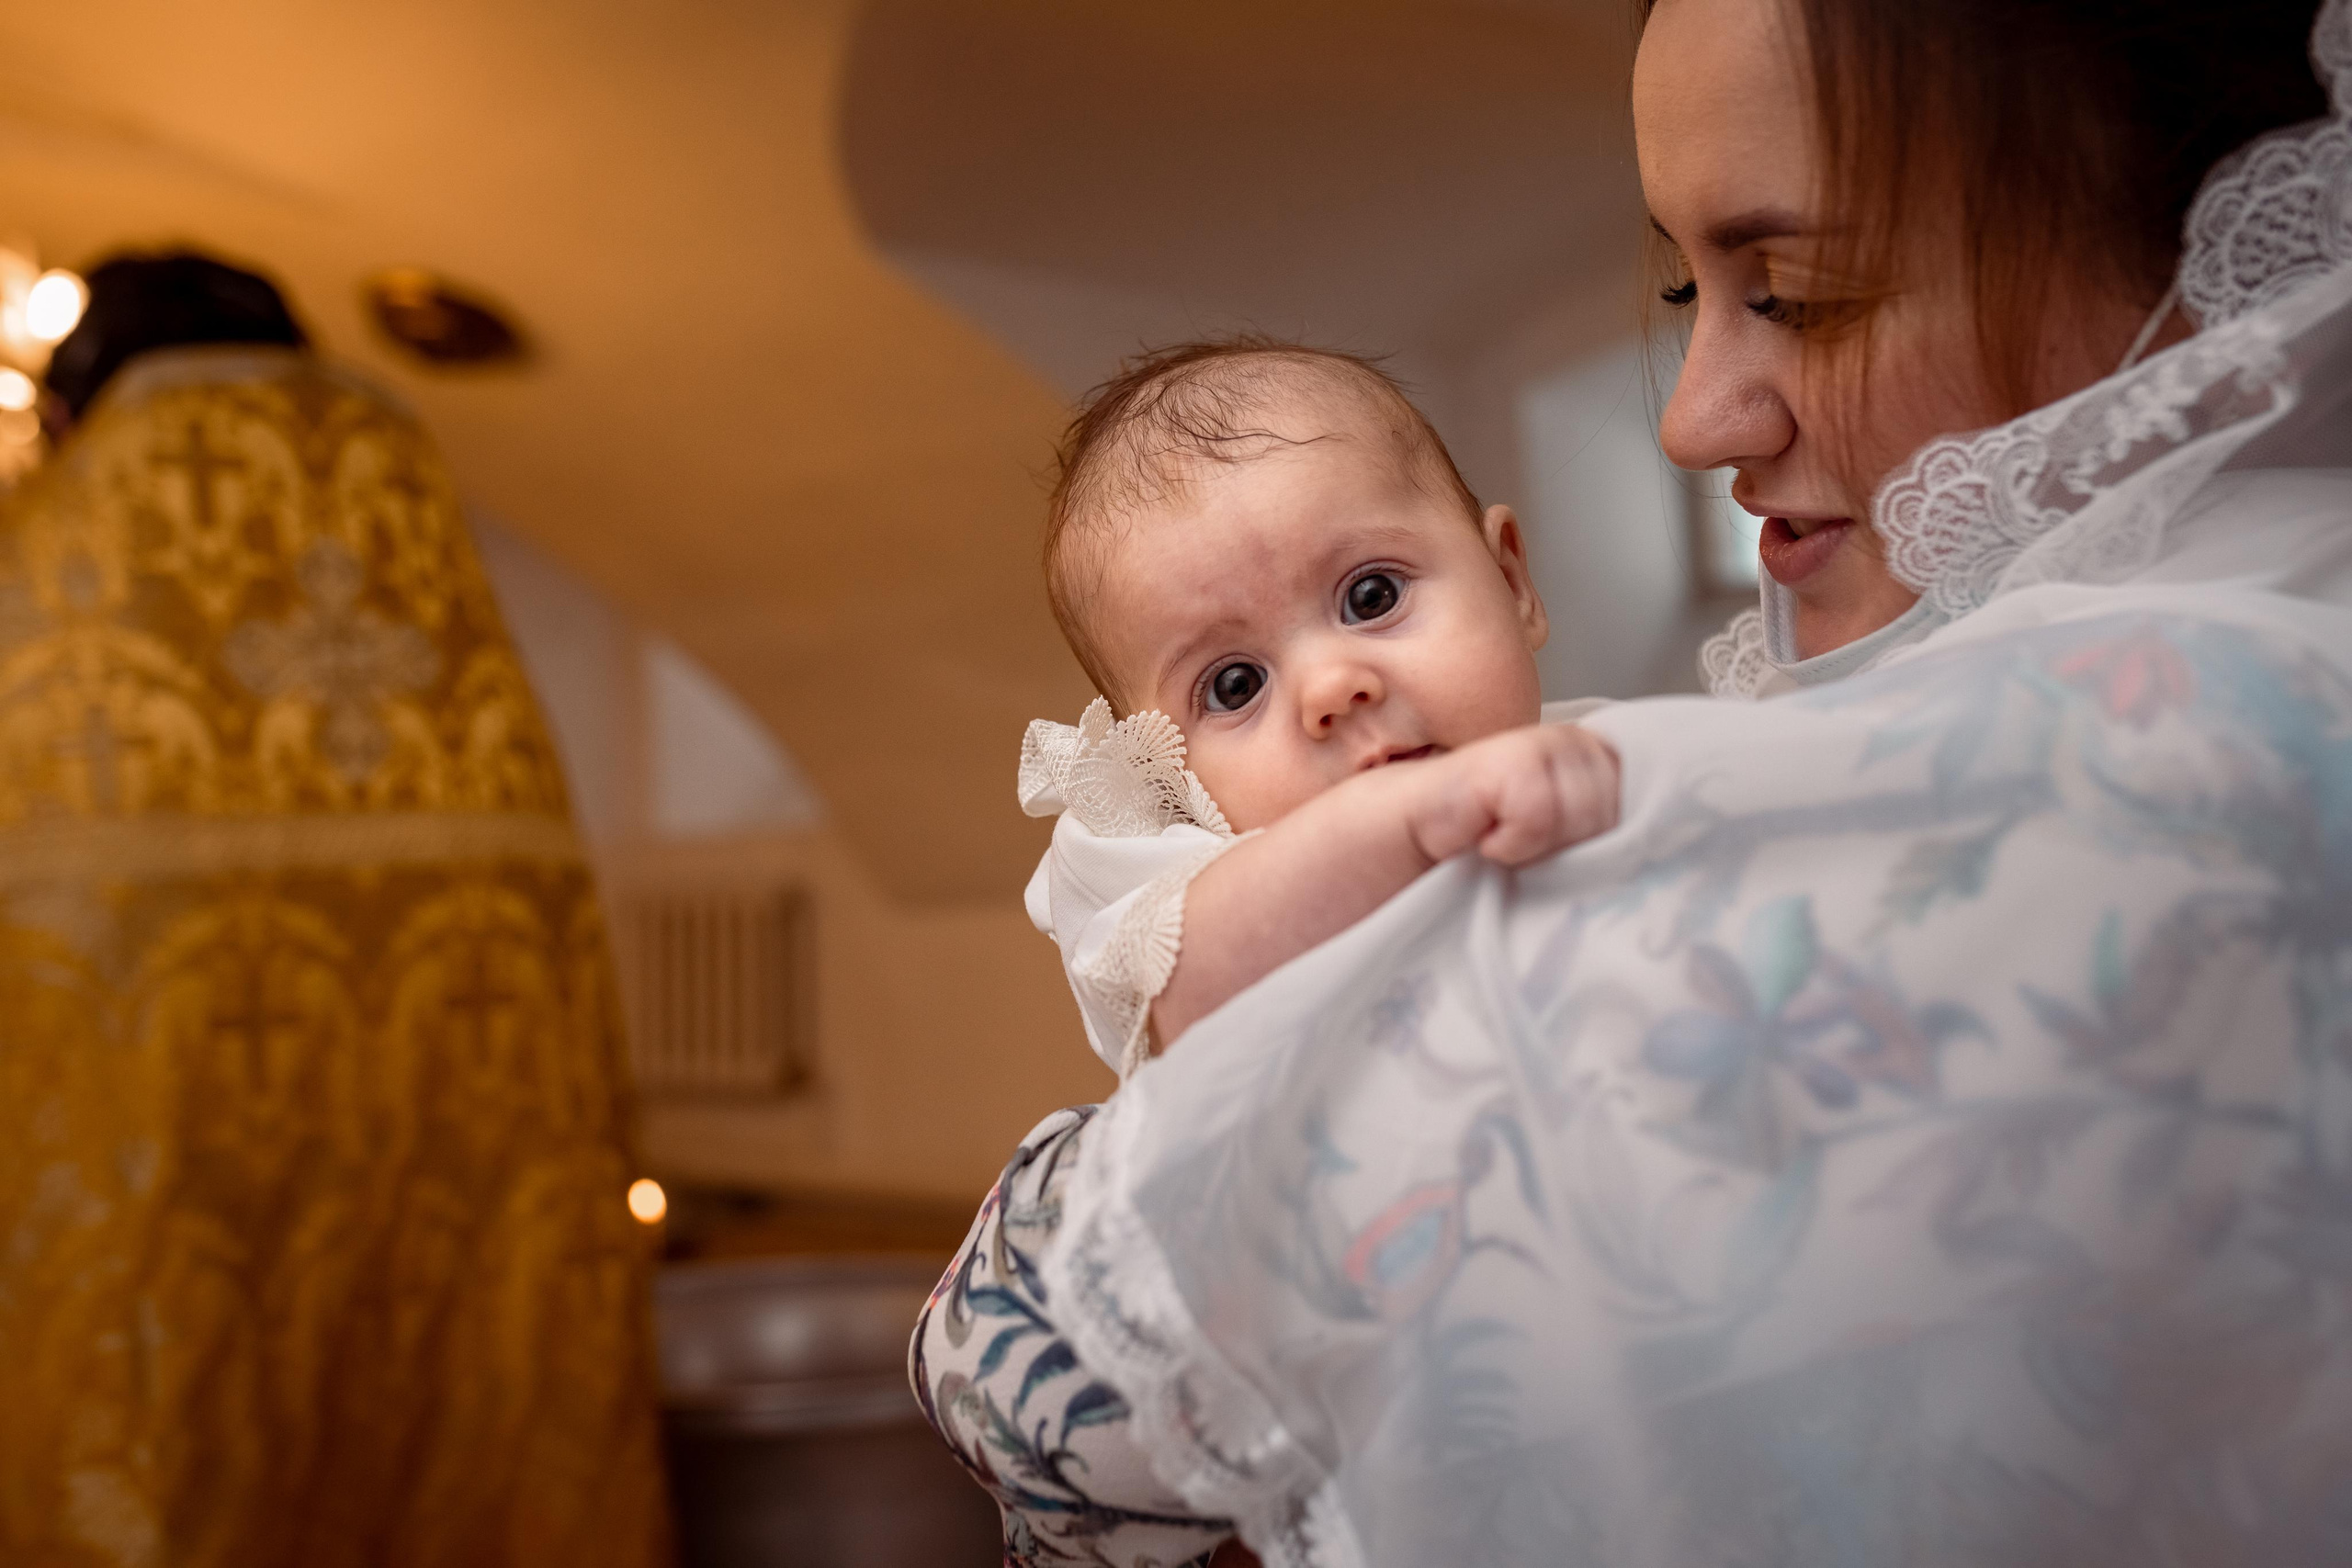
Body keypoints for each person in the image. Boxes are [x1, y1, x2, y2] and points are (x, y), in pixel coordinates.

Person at [911, 0, 2352, 1562]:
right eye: (1684, 286)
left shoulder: (2001, 794)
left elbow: (1019, 1372)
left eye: (1796, 292)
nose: (1689, 416)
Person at [0, 252, 670, 1567]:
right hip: (454, 1128)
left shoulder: (47, 563)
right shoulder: (399, 500)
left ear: (73, 411)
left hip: (153, 1160)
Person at [1017, 341, 1618, 1078]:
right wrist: (1404, 825)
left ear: (1511, 582)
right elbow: (1181, 996)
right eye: (1235, 684)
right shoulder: (1169, 874)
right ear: (1164, 780)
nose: (1331, 688)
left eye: (1372, 597)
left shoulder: (1609, 753)